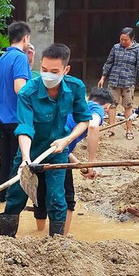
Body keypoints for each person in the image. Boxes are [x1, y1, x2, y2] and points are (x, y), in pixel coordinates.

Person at [0, 43, 91, 238]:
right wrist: (25, 157)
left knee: (56, 198)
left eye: (54, 71)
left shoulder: (75, 87)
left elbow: (84, 120)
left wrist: (67, 140)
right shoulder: (28, 92)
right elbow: (24, 127)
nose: (48, 75)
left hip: (57, 151)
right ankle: (5, 244)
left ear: (66, 70)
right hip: (29, 151)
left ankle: (56, 245)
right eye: (44, 70)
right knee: (16, 195)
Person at [30, 87, 112, 234]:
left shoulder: (75, 105)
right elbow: (93, 126)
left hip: (41, 146)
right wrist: (91, 163)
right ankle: (61, 239)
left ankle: (39, 233)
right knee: (67, 198)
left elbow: (63, 147)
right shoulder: (96, 108)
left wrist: (80, 166)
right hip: (56, 152)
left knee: (40, 194)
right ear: (107, 107)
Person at [0, 21, 33, 202]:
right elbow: (20, 88)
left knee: (5, 163)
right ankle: (13, 202)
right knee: (17, 163)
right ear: (25, 38)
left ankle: (1, 199)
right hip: (16, 120)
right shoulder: (20, 58)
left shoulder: (3, 58)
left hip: (1, 119)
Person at [98, 27, 139, 140]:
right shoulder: (116, 47)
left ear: (132, 39)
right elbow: (109, 63)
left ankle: (129, 130)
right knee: (112, 105)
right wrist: (103, 78)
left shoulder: (137, 49)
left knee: (128, 106)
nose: (123, 42)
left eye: (125, 40)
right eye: (121, 39)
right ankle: (111, 129)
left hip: (128, 82)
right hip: (114, 81)